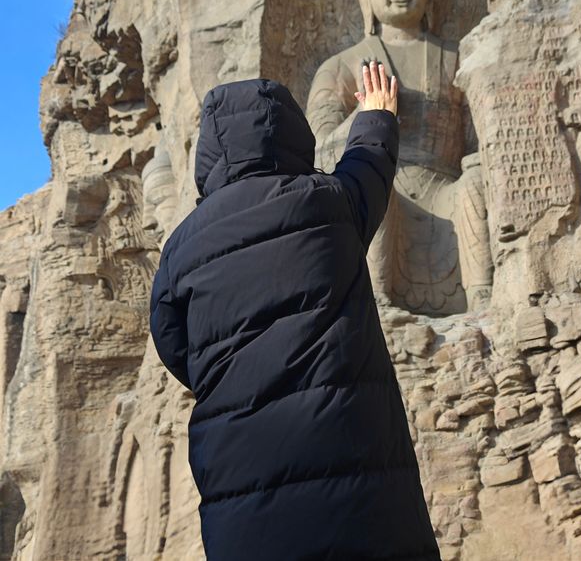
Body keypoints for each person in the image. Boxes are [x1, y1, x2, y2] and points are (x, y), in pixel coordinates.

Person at [149, 61, 441, 560]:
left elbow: (174, 346)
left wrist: (229, 375)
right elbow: (368, 165)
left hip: (244, 510)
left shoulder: (180, 250)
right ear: (293, 135)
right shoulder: (327, 202)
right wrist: (378, 115)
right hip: (362, 492)